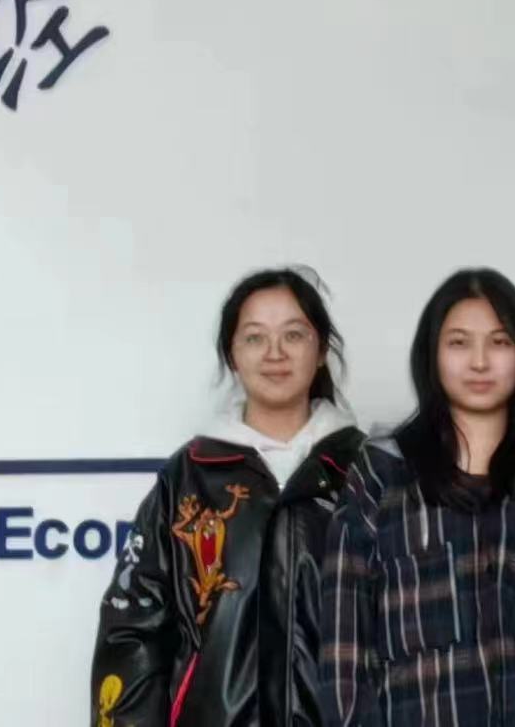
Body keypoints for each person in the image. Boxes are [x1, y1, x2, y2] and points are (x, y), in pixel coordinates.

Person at [320, 268, 515, 726]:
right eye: (459, 343)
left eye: (500, 342)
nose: (480, 362)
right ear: (432, 355)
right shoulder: (382, 474)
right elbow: (345, 650)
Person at [91, 267, 365, 727]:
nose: (275, 353)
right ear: (232, 355)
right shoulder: (188, 477)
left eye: (293, 335)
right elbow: (133, 633)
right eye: (255, 337)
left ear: (320, 350)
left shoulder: (366, 472)